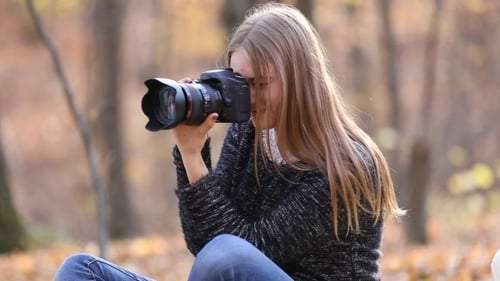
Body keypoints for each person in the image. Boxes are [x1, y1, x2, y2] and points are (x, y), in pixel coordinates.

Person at [54, 2, 404, 281]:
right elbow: (203, 245)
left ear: (301, 79)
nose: (247, 98)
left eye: (260, 84)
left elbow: (244, 251)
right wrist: (191, 154)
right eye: (239, 82)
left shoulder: (347, 167)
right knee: (80, 271)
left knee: (226, 256)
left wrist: (193, 160)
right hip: (227, 261)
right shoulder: (248, 132)